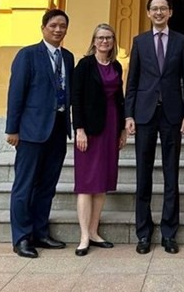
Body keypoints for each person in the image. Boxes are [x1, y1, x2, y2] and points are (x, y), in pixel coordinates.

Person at [125, 0, 184, 255]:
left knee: (170, 175)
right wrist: (128, 115)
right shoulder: (139, 42)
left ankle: (169, 233)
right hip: (143, 115)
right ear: (148, 13)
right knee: (143, 175)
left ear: (170, 12)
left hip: (172, 115)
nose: (158, 13)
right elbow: (131, 82)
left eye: (163, 8)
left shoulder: (181, 41)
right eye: (154, 9)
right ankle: (143, 233)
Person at [5, 9, 74, 258]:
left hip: (57, 128)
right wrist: (12, 129)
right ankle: (22, 237)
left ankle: (40, 232)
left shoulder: (68, 56)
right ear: (43, 27)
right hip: (31, 131)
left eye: (63, 26)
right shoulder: (28, 55)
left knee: (47, 185)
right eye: (54, 25)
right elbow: (16, 93)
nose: (58, 30)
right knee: (25, 185)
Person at [71, 23, 127, 256]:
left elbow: (120, 98)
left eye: (109, 38)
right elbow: (76, 97)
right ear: (94, 41)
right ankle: (84, 236)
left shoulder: (116, 65)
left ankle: (94, 231)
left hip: (112, 125)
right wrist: (79, 129)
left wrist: (123, 128)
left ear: (113, 41)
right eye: (100, 37)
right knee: (86, 183)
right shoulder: (84, 65)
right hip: (90, 130)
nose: (105, 41)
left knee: (102, 182)